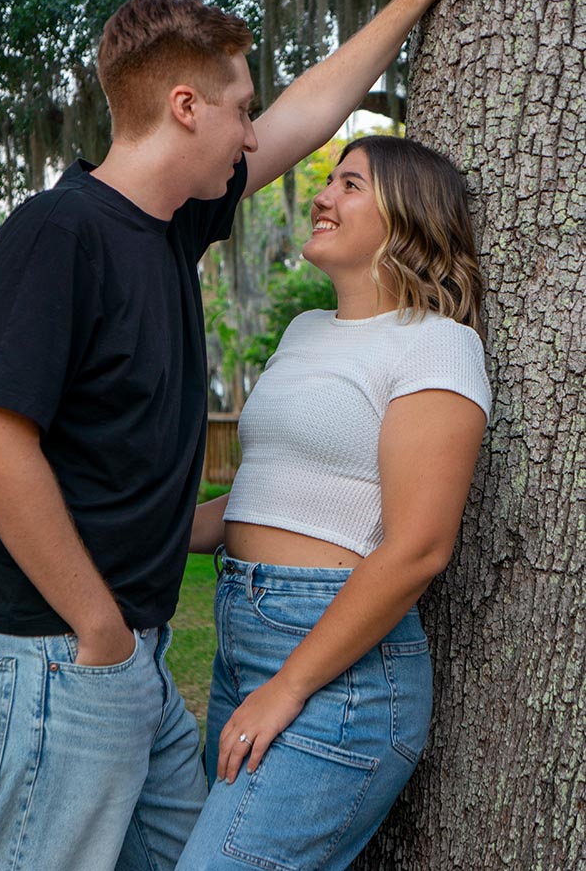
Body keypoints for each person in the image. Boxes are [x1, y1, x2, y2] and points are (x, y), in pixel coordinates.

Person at [0, 0, 466, 871]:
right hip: (61, 651)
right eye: (240, 108)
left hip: (137, 656)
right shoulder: (59, 232)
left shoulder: (170, 229)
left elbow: (308, 113)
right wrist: (98, 629)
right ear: (185, 107)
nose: (254, 135)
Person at [181, 134, 491, 870]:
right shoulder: (305, 331)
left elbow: (419, 547)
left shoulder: (437, 344)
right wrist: (134, 529)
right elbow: (267, 498)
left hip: (338, 672)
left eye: (350, 185)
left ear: (408, 215)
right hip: (240, 638)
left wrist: (288, 688)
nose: (321, 197)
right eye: (328, 182)